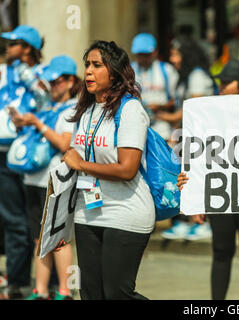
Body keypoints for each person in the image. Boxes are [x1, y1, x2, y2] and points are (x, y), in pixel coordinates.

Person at [62, 40, 154, 300]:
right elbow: (74, 156)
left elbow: (127, 169)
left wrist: (80, 164)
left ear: (113, 72)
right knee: (91, 293)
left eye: (96, 65)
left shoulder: (130, 109)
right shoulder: (86, 110)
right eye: (87, 65)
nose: (88, 71)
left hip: (126, 211)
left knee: (117, 294)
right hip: (87, 211)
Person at [177, 60, 239, 300]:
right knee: (221, 251)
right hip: (221, 191)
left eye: (227, 83)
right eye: (220, 82)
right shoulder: (210, 113)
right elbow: (201, 155)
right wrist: (197, 200)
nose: (222, 87)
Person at [10, 55, 81, 300]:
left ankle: (65, 290)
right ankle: (40, 291)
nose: (53, 86)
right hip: (33, 180)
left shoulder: (73, 109)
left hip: (55, 181)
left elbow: (64, 143)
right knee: (39, 238)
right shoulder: (46, 106)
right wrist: (22, 123)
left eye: (58, 81)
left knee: (59, 237)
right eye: (50, 82)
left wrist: (37, 123)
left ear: (71, 81)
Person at [0, 24, 44, 299]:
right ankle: (15, 281)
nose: (7, 47)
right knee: (13, 219)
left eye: (13, 42)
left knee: (36, 221)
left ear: (27, 48)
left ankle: (46, 281)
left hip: (34, 157)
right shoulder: (3, 70)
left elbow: (46, 96)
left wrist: (27, 74)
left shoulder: (42, 73)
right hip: (3, 155)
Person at [160, 38, 215, 241]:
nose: (173, 59)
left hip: (202, 137)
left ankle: (203, 223)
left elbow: (194, 108)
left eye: (176, 54)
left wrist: (166, 117)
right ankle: (185, 221)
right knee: (185, 178)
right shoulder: (185, 77)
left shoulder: (197, 76)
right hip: (188, 136)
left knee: (199, 177)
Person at [130, 33, 179, 141]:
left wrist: (160, 106)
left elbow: (174, 101)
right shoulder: (129, 71)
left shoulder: (167, 70)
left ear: (155, 52)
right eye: (140, 54)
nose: (143, 58)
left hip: (162, 130)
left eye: (146, 54)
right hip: (136, 129)